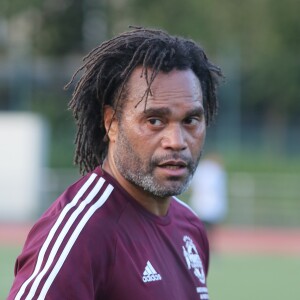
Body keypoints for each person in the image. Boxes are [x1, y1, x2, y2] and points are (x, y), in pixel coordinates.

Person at [8, 27, 223, 300]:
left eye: (190, 121)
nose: (176, 141)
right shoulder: (84, 231)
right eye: (154, 121)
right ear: (111, 123)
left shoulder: (190, 226)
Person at [189, 153, 228, 251]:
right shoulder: (218, 170)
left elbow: (193, 185)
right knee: (212, 228)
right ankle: (211, 246)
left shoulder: (200, 169)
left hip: (201, 203)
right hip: (212, 203)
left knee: (201, 227)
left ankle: (202, 245)